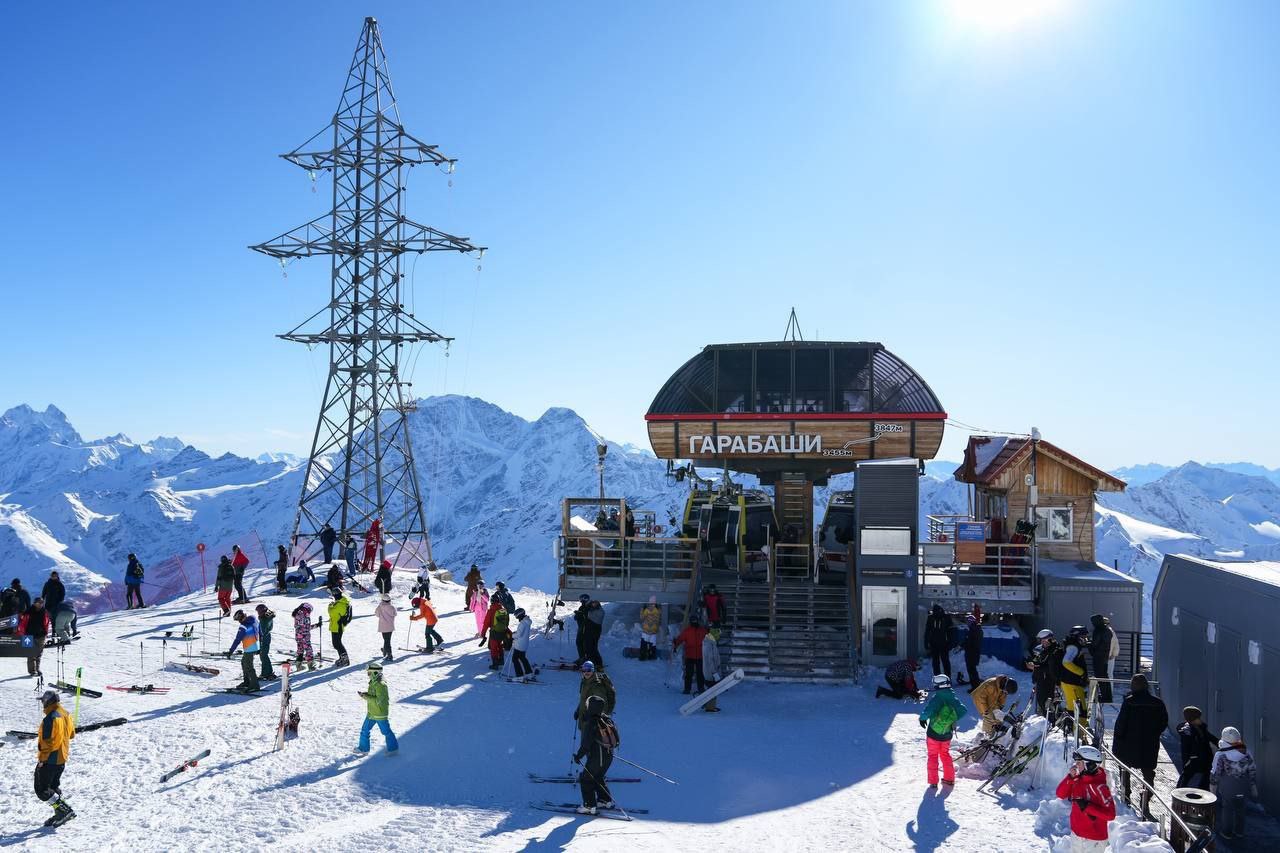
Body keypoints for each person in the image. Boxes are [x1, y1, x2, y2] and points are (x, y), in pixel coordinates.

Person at [1111, 673, 1168, 820]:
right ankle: (1145, 800)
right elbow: (1163, 722)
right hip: (1150, 745)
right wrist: (1154, 733)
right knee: (1148, 774)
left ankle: (1126, 798)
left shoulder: (1129, 702)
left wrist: (1117, 741)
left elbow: (1121, 724)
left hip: (1128, 745)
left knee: (1125, 771)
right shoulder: (1158, 703)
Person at [1055, 745, 1116, 853]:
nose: (1075, 765)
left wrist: (1087, 807)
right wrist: (1070, 778)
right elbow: (1060, 794)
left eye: (1079, 763)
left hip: (1094, 839)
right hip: (1077, 834)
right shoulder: (1078, 779)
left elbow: (1110, 815)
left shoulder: (1100, 787)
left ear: (1090, 765)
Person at [34, 688, 76, 827]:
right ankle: (60, 812)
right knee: (53, 787)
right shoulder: (66, 714)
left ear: (48, 702)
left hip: (50, 759)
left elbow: (48, 742)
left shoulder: (50, 718)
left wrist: (42, 760)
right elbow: (71, 734)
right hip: (62, 757)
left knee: (42, 789)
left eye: (43, 701)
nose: (42, 704)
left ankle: (64, 810)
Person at [918, 674, 967, 788]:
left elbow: (928, 711)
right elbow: (963, 710)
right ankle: (949, 779)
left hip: (933, 733)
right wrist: (951, 719)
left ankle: (933, 782)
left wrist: (922, 719)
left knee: (933, 756)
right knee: (945, 755)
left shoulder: (937, 698)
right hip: (947, 734)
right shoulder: (953, 697)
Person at [1210, 725, 1258, 840]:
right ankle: (1239, 831)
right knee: (1241, 809)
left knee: (1227, 809)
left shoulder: (1221, 754)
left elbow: (1215, 773)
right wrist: (1253, 786)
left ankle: (1227, 832)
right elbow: (1252, 769)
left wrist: (1213, 789)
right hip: (1243, 786)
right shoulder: (1247, 752)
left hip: (1228, 787)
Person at [572, 694, 617, 815]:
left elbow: (586, 744)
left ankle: (589, 805)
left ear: (591, 707)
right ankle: (605, 800)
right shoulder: (606, 719)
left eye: (587, 704)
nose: (586, 706)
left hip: (598, 757)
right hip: (608, 756)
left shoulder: (592, 723)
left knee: (586, 778)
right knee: (598, 776)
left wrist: (578, 756)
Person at [356, 660, 398, 754]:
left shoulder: (381, 685)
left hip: (379, 713)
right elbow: (373, 696)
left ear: (375, 672)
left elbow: (379, 700)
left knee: (386, 732)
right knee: (364, 730)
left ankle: (393, 749)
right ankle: (363, 748)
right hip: (372, 712)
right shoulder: (373, 682)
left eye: (369, 673)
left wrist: (366, 697)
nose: (368, 675)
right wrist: (365, 694)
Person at [1176, 706, 1218, 790]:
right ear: (1192, 719)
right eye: (1198, 718)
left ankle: (1202, 790)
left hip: (1204, 757)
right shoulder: (1187, 732)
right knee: (1186, 775)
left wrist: (1221, 743)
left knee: (1207, 773)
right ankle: (1179, 792)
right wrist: (1189, 759)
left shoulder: (1201, 728)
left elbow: (1210, 737)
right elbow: (1186, 747)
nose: (1200, 720)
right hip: (1193, 759)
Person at [1058, 625, 1091, 730]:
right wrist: (1081, 672)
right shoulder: (1073, 647)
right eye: (1084, 636)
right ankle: (1075, 733)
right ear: (1078, 636)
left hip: (1073, 682)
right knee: (1077, 709)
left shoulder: (1075, 645)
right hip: (1071, 682)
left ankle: (1079, 731)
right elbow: (1066, 662)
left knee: (1080, 709)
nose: (1085, 639)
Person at [1026, 629, 1060, 717]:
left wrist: (1036, 667)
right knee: (1041, 705)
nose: (1041, 642)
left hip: (1049, 683)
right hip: (1041, 681)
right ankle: (1043, 721)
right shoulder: (1044, 650)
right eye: (1041, 640)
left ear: (1049, 639)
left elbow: (1051, 668)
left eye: (1043, 640)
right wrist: (1032, 663)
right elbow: (1040, 662)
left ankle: (1049, 722)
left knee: (1048, 706)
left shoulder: (1054, 651)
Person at [575, 661, 616, 733]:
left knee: (590, 739)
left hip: (592, 724)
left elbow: (603, 705)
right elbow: (584, 698)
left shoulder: (597, 685)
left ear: (593, 670)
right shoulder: (585, 681)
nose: (586, 672)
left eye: (589, 670)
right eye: (584, 670)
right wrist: (578, 710)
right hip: (585, 720)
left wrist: (592, 718)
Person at [226, 609, 261, 693]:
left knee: (249, 666)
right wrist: (260, 645)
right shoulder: (254, 619)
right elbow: (260, 630)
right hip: (256, 645)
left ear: (241, 618)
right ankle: (247, 682)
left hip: (249, 647)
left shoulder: (243, 626)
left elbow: (237, 639)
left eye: (238, 620)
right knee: (244, 662)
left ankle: (254, 686)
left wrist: (231, 651)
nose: (239, 622)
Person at [673, 616, 710, 695]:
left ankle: (700, 688)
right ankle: (687, 689)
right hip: (690, 656)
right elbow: (680, 639)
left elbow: (709, 639)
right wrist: (675, 643)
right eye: (693, 621)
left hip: (700, 655)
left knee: (700, 673)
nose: (694, 622)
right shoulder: (687, 631)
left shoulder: (702, 631)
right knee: (689, 673)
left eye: (695, 621)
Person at [17, 598, 51, 677]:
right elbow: (22, 624)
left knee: (39, 654)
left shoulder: (44, 612)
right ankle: (32, 671)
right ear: (34, 603)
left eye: (41, 603)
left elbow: (46, 623)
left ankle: (37, 669)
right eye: (38, 603)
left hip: (41, 635)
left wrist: (45, 633)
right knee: (30, 654)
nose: (40, 604)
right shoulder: (28, 612)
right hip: (28, 636)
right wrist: (22, 634)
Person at [1089, 614, 1116, 704]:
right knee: (1105, 677)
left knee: (1100, 677)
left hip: (1098, 656)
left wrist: (1088, 645)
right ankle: (1108, 696)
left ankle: (1105, 697)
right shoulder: (1107, 630)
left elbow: (1095, 644)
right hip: (1104, 656)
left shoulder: (1098, 630)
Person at [479, 598, 510, 670]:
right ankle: (501, 661)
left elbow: (486, 623)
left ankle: (495, 664)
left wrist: (483, 634)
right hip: (502, 632)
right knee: (500, 646)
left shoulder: (491, 611)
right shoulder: (503, 610)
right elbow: (507, 621)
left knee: (494, 648)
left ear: (492, 602)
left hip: (494, 632)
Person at [924, 604, 953, 679]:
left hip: (943, 643)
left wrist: (950, 642)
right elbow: (927, 631)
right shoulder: (931, 618)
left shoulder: (945, 618)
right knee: (938, 662)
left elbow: (951, 631)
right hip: (936, 643)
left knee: (942, 661)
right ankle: (941, 678)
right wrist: (926, 642)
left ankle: (945, 677)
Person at [700, 627, 723, 712]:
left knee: (712, 688)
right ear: (714, 635)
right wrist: (714, 672)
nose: (719, 637)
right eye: (718, 635)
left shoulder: (710, 642)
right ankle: (709, 707)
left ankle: (709, 705)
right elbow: (710, 660)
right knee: (712, 689)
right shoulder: (709, 644)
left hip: (710, 670)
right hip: (710, 671)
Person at [328, 588, 352, 667]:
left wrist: (330, 606)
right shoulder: (340, 602)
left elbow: (331, 612)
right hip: (335, 625)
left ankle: (345, 660)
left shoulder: (341, 604)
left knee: (337, 644)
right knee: (336, 644)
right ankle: (342, 658)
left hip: (338, 626)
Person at [292, 602, 317, 670]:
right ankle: (311, 665)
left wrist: (316, 625)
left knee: (300, 650)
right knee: (308, 650)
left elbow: (301, 626)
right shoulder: (304, 615)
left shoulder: (297, 614)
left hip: (298, 635)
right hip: (304, 635)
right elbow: (307, 627)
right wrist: (316, 625)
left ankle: (299, 666)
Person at [255, 604, 277, 682]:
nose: (258, 613)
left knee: (263, 655)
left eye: (258, 612)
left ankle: (267, 673)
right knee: (263, 655)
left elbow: (262, 631)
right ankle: (266, 672)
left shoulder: (264, 619)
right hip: (266, 637)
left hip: (264, 638)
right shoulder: (267, 617)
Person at [511, 607, 534, 681]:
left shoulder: (522, 623)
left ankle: (519, 675)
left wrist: (512, 635)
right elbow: (521, 633)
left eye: (517, 616)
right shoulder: (527, 621)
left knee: (514, 659)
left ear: (520, 615)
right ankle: (529, 673)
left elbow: (519, 635)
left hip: (519, 644)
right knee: (522, 658)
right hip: (524, 644)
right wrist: (516, 633)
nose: (517, 618)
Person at [962, 614, 983, 691]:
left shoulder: (974, 630)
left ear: (971, 622)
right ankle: (975, 685)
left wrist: (965, 645)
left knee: (972, 670)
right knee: (972, 670)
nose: (967, 623)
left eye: (968, 621)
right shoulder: (974, 629)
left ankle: (975, 687)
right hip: (972, 653)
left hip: (972, 653)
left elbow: (972, 642)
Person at [582, 600, 605, 669]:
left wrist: (588, 609)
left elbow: (592, 618)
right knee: (588, 646)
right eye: (592, 604)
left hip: (594, 630)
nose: (593, 605)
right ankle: (592, 661)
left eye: (594, 604)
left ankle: (597, 663)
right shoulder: (593, 610)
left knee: (592, 647)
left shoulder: (600, 611)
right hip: (590, 629)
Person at [375, 593, 396, 661]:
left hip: (383, 626)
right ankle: (385, 651)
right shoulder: (392, 607)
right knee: (387, 640)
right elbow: (395, 614)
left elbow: (377, 614)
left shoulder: (380, 607)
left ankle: (389, 655)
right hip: (390, 626)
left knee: (387, 640)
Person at [639, 596, 661, 661]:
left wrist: (642, 610)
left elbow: (642, 618)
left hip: (646, 630)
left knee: (644, 644)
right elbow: (658, 620)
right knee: (652, 644)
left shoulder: (647, 610)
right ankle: (651, 656)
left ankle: (643, 656)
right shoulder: (658, 611)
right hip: (654, 631)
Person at [572, 594, 591, 666]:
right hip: (581, 627)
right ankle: (582, 657)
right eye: (581, 599)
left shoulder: (588, 607)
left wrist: (580, 614)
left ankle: (585, 658)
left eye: (584, 599)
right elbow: (578, 617)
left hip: (586, 628)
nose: (582, 600)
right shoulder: (581, 607)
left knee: (583, 643)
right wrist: (577, 614)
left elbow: (587, 616)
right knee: (579, 642)